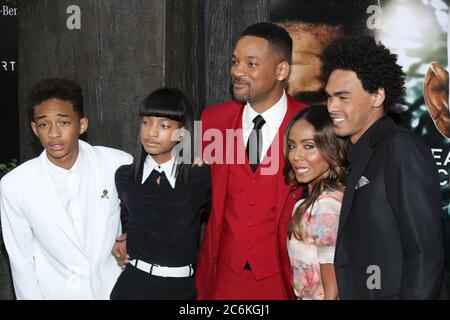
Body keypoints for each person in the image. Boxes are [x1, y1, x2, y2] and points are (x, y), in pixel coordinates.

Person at [322, 36, 447, 299]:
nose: (332, 107)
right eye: (329, 97)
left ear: (377, 96)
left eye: (343, 97)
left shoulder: (400, 148)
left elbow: (425, 254)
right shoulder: (362, 153)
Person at [195, 22, 307, 300]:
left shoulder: (311, 124)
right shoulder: (213, 120)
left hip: (285, 279)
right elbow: (191, 198)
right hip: (222, 277)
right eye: (235, 62)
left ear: (282, 70)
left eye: (251, 64)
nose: (237, 71)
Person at [0, 78, 132, 299]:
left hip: (116, 291)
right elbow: (21, 263)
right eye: (44, 124)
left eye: (63, 122)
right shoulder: (15, 185)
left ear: (82, 124)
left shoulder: (116, 164)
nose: (53, 133)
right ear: (34, 129)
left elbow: (143, 220)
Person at [110, 88, 210, 299]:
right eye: (146, 122)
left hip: (178, 288)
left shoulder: (199, 177)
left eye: (164, 125)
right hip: (131, 286)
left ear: (182, 133)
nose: (151, 132)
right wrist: (122, 242)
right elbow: (127, 225)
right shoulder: (125, 176)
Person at [283, 105, 350, 300]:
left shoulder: (326, 205)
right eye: (292, 145)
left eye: (309, 146)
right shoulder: (313, 203)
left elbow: (333, 291)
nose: (296, 156)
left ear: (332, 148)